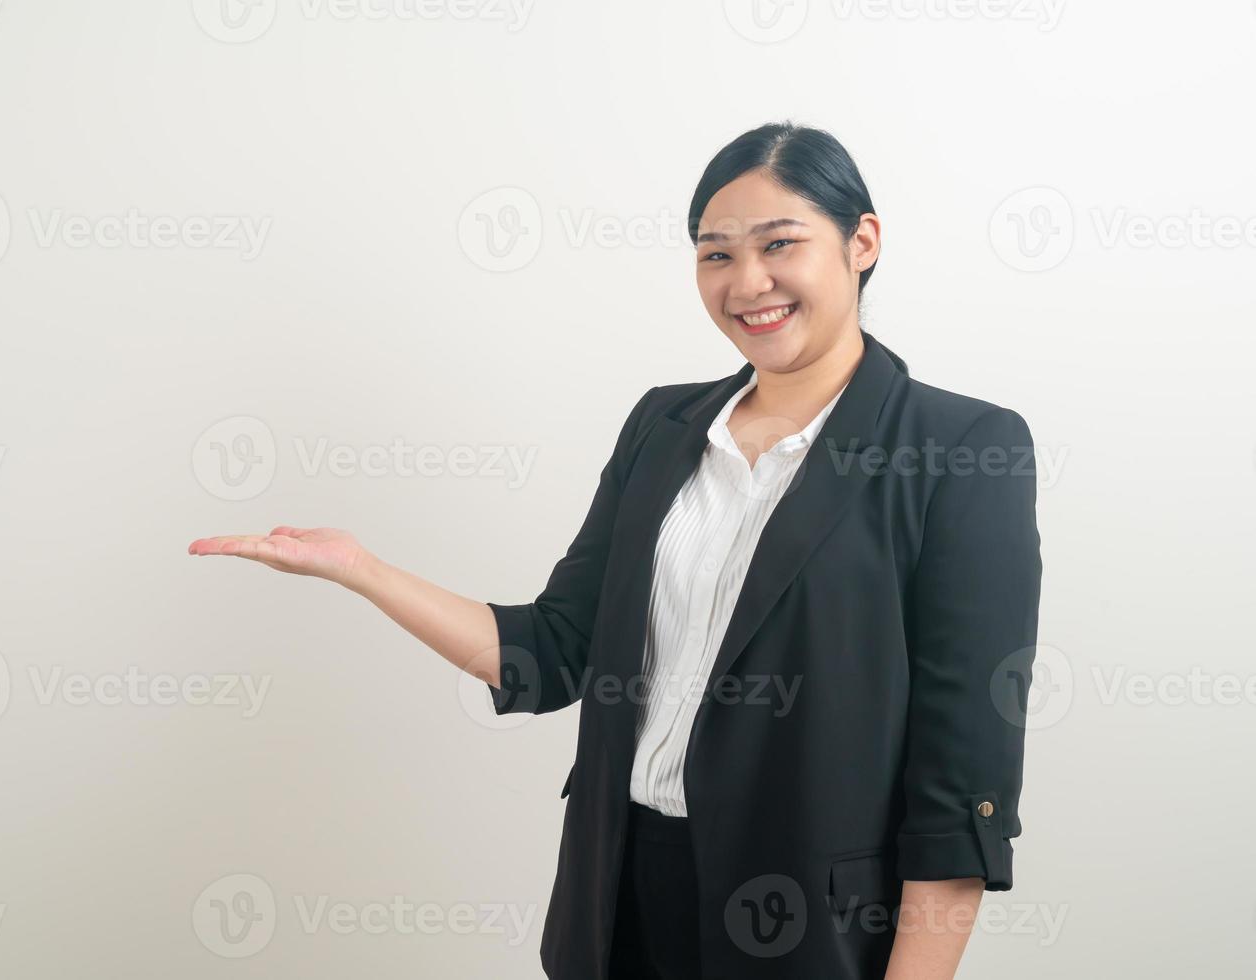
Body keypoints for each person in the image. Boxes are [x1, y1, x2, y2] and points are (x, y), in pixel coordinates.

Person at [188, 121, 1042, 980]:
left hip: (812, 931)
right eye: (715, 255)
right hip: (619, 902)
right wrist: (361, 571)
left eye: (780, 244)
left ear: (862, 242)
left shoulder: (960, 448)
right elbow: (553, 652)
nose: (748, 283)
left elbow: (959, 784)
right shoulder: (662, 428)